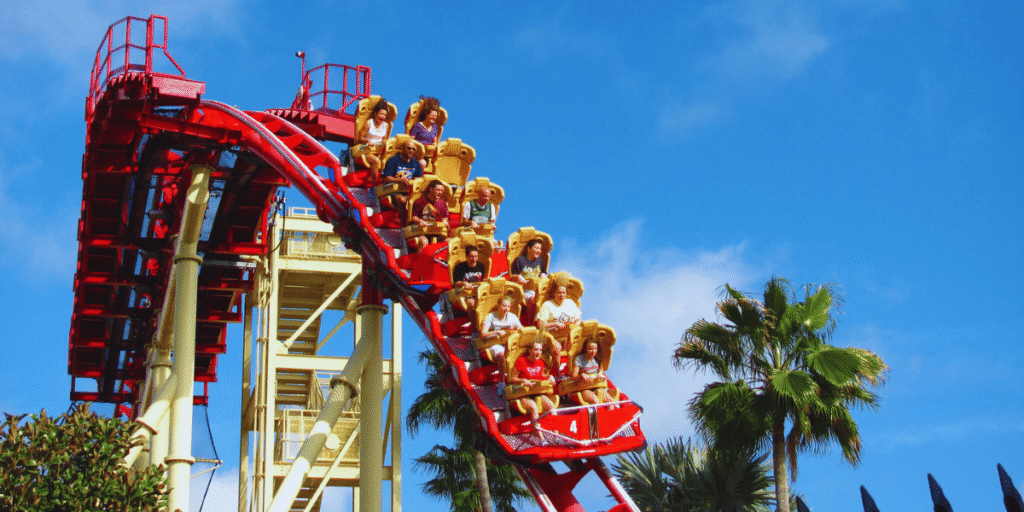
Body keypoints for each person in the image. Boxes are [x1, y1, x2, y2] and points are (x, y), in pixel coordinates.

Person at [508, 341, 557, 426]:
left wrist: (549, 377)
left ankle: (556, 434)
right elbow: (512, 379)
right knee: (533, 406)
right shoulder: (521, 361)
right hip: (523, 393)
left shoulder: (541, 362)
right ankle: (541, 437)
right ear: (530, 350)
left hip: (536, 392)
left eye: (540, 350)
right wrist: (523, 380)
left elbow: (540, 375)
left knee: (551, 406)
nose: (538, 352)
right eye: (536, 350)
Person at [535, 284, 581, 367]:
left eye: (564, 293)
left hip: (568, 334)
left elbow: (579, 319)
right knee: (557, 348)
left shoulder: (570, 303)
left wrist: (576, 324)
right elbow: (540, 324)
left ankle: (574, 369)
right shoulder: (547, 305)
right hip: (551, 335)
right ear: (554, 294)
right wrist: (555, 324)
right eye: (559, 293)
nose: (562, 295)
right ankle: (557, 373)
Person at [479, 296, 522, 373]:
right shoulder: (491, 317)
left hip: (509, 343)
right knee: (502, 356)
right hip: (495, 343)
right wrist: (497, 332)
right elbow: (483, 334)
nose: (507, 309)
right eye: (504, 306)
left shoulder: (512, 317)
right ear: (498, 305)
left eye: (509, 306)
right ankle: (501, 382)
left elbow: (522, 330)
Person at [380, 140, 423, 213]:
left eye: (413, 149)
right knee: (402, 200)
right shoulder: (393, 160)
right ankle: (404, 224)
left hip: (408, 191)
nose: (411, 151)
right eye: (409, 148)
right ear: (402, 149)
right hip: (393, 191)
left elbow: (419, 179)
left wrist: (415, 181)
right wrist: (400, 180)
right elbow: (385, 178)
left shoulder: (416, 163)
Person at [410, 179, 450, 251]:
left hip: (436, 232)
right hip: (422, 231)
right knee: (423, 242)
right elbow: (413, 217)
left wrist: (445, 221)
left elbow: (445, 217)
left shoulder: (443, 203)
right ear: (431, 189)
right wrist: (420, 221)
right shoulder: (420, 201)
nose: (440, 192)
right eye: (438, 190)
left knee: (450, 242)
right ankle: (420, 261)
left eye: (441, 190)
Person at [570, 340, 615, 405]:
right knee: (595, 400)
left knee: (610, 401)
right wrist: (582, 375)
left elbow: (600, 369)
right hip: (584, 388)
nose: (593, 352)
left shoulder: (597, 358)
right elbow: (573, 377)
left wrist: (600, 373)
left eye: (595, 349)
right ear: (586, 349)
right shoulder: (579, 359)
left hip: (596, 386)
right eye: (591, 349)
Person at [352, 98, 390, 170]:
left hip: (378, 151)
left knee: (389, 160)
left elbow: (384, 139)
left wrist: (384, 142)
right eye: (381, 114)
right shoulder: (369, 123)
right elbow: (360, 138)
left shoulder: (386, 126)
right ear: (375, 113)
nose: (383, 116)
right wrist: (367, 141)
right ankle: (374, 181)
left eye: (385, 115)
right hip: (366, 151)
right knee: (376, 161)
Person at [451, 245, 486, 312]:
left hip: (477, 292)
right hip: (464, 293)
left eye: (476, 256)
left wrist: (487, 280)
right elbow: (455, 283)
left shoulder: (481, 266)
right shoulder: (460, 267)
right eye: (471, 257)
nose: (474, 259)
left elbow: (482, 280)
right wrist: (464, 283)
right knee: (473, 303)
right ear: (466, 256)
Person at [409, 97, 441, 167]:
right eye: (432, 115)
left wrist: (434, 147)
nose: (434, 117)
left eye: (435, 116)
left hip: (429, 153)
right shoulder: (418, 126)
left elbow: (435, 141)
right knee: (422, 163)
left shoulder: (435, 127)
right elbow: (411, 140)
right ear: (427, 114)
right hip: (417, 152)